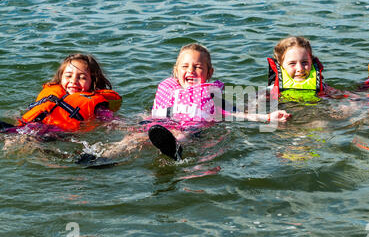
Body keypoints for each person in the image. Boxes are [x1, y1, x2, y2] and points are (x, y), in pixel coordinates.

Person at [102, 43, 291, 161]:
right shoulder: (168, 91)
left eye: (198, 67)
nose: (190, 71)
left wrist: (267, 116)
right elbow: (155, 114)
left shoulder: (210, 98)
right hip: (160, 127)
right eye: (185, 66)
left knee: (181, 135)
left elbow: (233, 114)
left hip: (191, 130)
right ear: (176, 71)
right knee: (130, 139)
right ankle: (103, 158)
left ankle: (175, 150)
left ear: (209, 73)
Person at [0, 53, 122, 135]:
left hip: (61, 135)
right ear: (60, 77)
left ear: (93, 81)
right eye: (68, 76)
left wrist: (130, 127)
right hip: (31, 128)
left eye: (82, 77)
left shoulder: (97, 104)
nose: (73, 81)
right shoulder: (53, 93)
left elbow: (111, 121)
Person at [267, 36, 341, 103]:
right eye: (292, 63)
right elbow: (258, 107)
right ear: (281, 65)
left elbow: (345, 96)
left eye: (304, 62)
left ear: (311, 62)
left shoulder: (323, 88)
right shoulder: (272, 90)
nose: (300, 69)